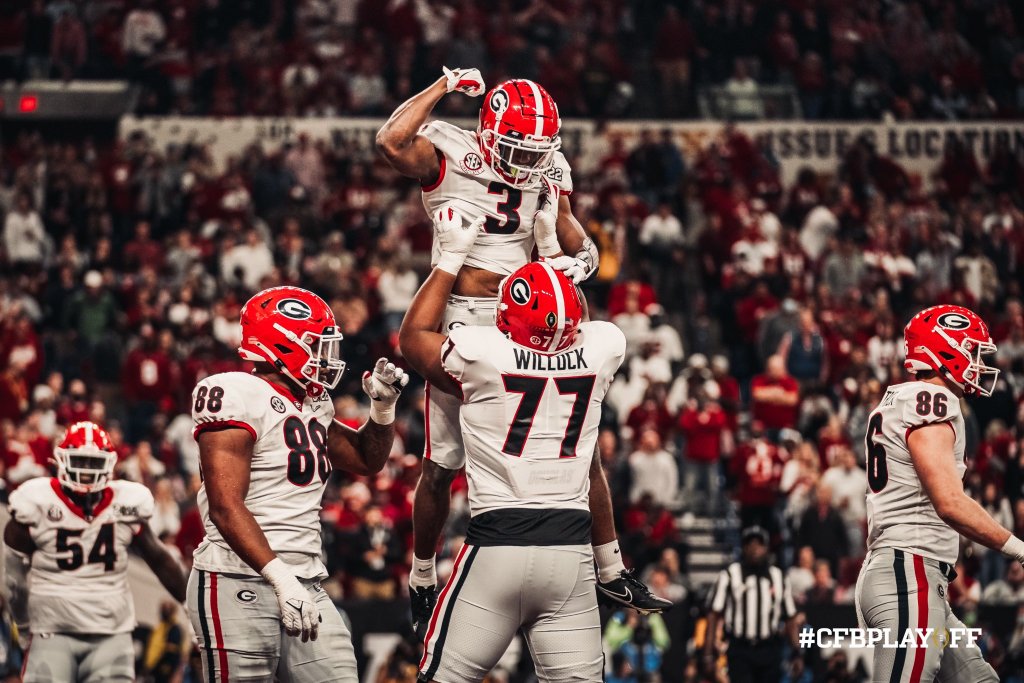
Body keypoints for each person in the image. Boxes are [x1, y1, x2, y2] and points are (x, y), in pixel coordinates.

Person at [376, 67, 663, 631]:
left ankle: (610, 566)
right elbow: (390, 141)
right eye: (517, 149)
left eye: (537, 153)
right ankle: (424, 574)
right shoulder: (451, 151)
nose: (528, 164)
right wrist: (443, 87)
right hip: (462, 313)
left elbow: (570, 227)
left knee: (584, 447)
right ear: (486, 132)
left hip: (531, 318)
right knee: (442, 465)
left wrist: (582, 259)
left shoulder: (546, 163)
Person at [399, 206, 663, 682]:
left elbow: (412, 336)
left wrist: (450, 259)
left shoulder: (484, 355)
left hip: (498, 546)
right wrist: (551, 254)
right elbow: (573, 318)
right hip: (571, 557)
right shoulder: (602, 347)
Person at [186, 286, 408, 682]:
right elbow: (224, 506)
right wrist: (280, 576)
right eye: (316, 345)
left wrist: (383, 409)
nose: (326, 357)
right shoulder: (235, 392)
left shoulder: (313, 402)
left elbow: (365, 458)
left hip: (305, 579)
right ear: (281, 343)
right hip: (236, 580)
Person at [855, 305, 1007, 681]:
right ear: (946, 348)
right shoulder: (933, 400)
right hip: (909, 572)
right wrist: (1017, 547)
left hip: (912, 572)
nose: (977, 360)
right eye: (971, 349)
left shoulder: (902, 399)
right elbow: (949, 503)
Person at [3, 421, 187, 683]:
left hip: (111, 633)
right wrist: (21, 621)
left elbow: (158, 558)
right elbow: (14, 575)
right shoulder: (37, 501)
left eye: (93, 462)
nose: (86, 471)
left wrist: (190, 604)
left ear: (110, 463)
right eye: (80, 460)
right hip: (53, 631)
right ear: (61, 460)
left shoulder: (126, 503)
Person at [704, 526, 801, 683]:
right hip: (740, 648)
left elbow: (790, 618)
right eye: (750, 544)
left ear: (767, 548)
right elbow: (713, 614)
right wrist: (708, 654)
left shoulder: (778, 577)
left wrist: (797, 653)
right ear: (743, 548)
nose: (755, 548)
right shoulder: (729, 575)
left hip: (769, 648)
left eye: (759, 544)